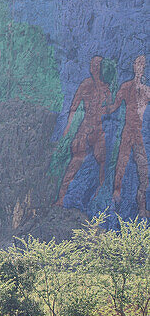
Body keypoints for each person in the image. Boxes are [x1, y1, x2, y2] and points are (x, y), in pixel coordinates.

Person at [56, 56, 112, 207]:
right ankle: (61, 198)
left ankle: (101, 198)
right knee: (75, 162)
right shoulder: (86, 84)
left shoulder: (106, 88)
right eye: (92, 65)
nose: (94, 68)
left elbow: (110, 110)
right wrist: (67, 128)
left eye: (97, 65)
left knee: (102, 162)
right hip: (85, 128)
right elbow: (73, 107)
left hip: (99, 130)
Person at [109, 55, 150, 218]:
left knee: (144, 170)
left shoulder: (147, 91)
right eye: (137, 63)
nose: (140, 66)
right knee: (121, 166)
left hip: (138, 134)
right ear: (133, 66)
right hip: (128, 132)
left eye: (142, 64)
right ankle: (113, 203)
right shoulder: (126, 87)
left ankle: (142, 208)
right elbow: (114, 106)